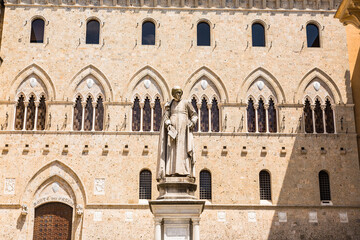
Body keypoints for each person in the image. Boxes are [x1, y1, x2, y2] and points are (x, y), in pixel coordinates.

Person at [157, 86, 198, 180]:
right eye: (176, 93)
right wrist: (168, 124)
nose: (178, 95)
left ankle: (185, 171)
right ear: (173, 94)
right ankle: (171, 171)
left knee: (183, 150)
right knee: (172, 150)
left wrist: (192, 122)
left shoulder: (186, 103)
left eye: (179, 93)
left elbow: (194, 115)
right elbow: (166, 117)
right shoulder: (170, 104)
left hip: (184, 131)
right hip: (172, 132)